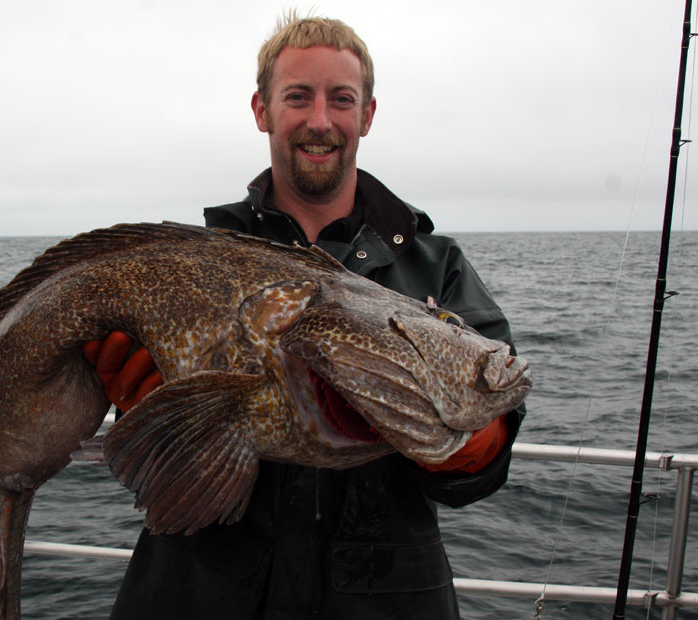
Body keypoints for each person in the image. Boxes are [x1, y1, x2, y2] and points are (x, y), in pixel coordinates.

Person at [84, 14, 525, 620]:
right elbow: (149, 453)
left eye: (341, 99)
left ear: (366, 115)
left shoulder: (438, 265)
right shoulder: (192, 261)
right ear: (262, 110)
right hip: (196, 593)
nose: (320, 120)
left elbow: (487, 451)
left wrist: (461, 436)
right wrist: (147, 407)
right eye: (298, 97)